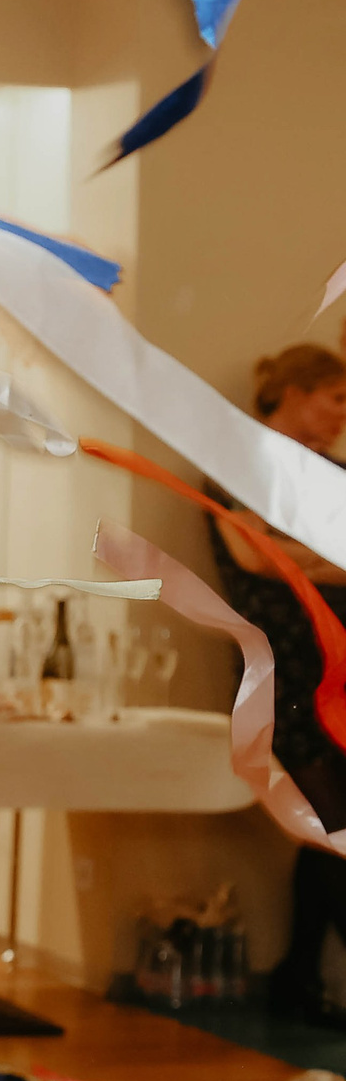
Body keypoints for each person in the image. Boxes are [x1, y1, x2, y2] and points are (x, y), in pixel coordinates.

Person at [208, 345, 346, 1023]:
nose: (342, 418)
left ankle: (296, 976)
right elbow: (252, 556)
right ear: (295, 391)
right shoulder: (241, 463)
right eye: (337, 400)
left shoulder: (334, 474)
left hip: (337, 667)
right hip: (284, 671)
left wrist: (305, 560)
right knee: (332, 826)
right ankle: (297, 979)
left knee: (327, 829)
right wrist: (318, 561)